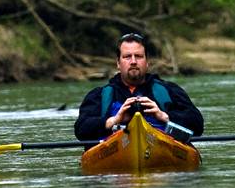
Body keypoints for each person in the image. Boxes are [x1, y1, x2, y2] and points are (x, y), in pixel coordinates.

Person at [75, 32, 204, 142]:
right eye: (127, 57)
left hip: (164, 148)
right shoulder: (98, 95)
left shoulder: (169, 90)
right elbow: (80, 130)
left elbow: (198, 125)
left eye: (138, 56)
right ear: (118, 63)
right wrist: (114, 120)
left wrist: (164, 116)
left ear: (147, 62)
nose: (133, 62)